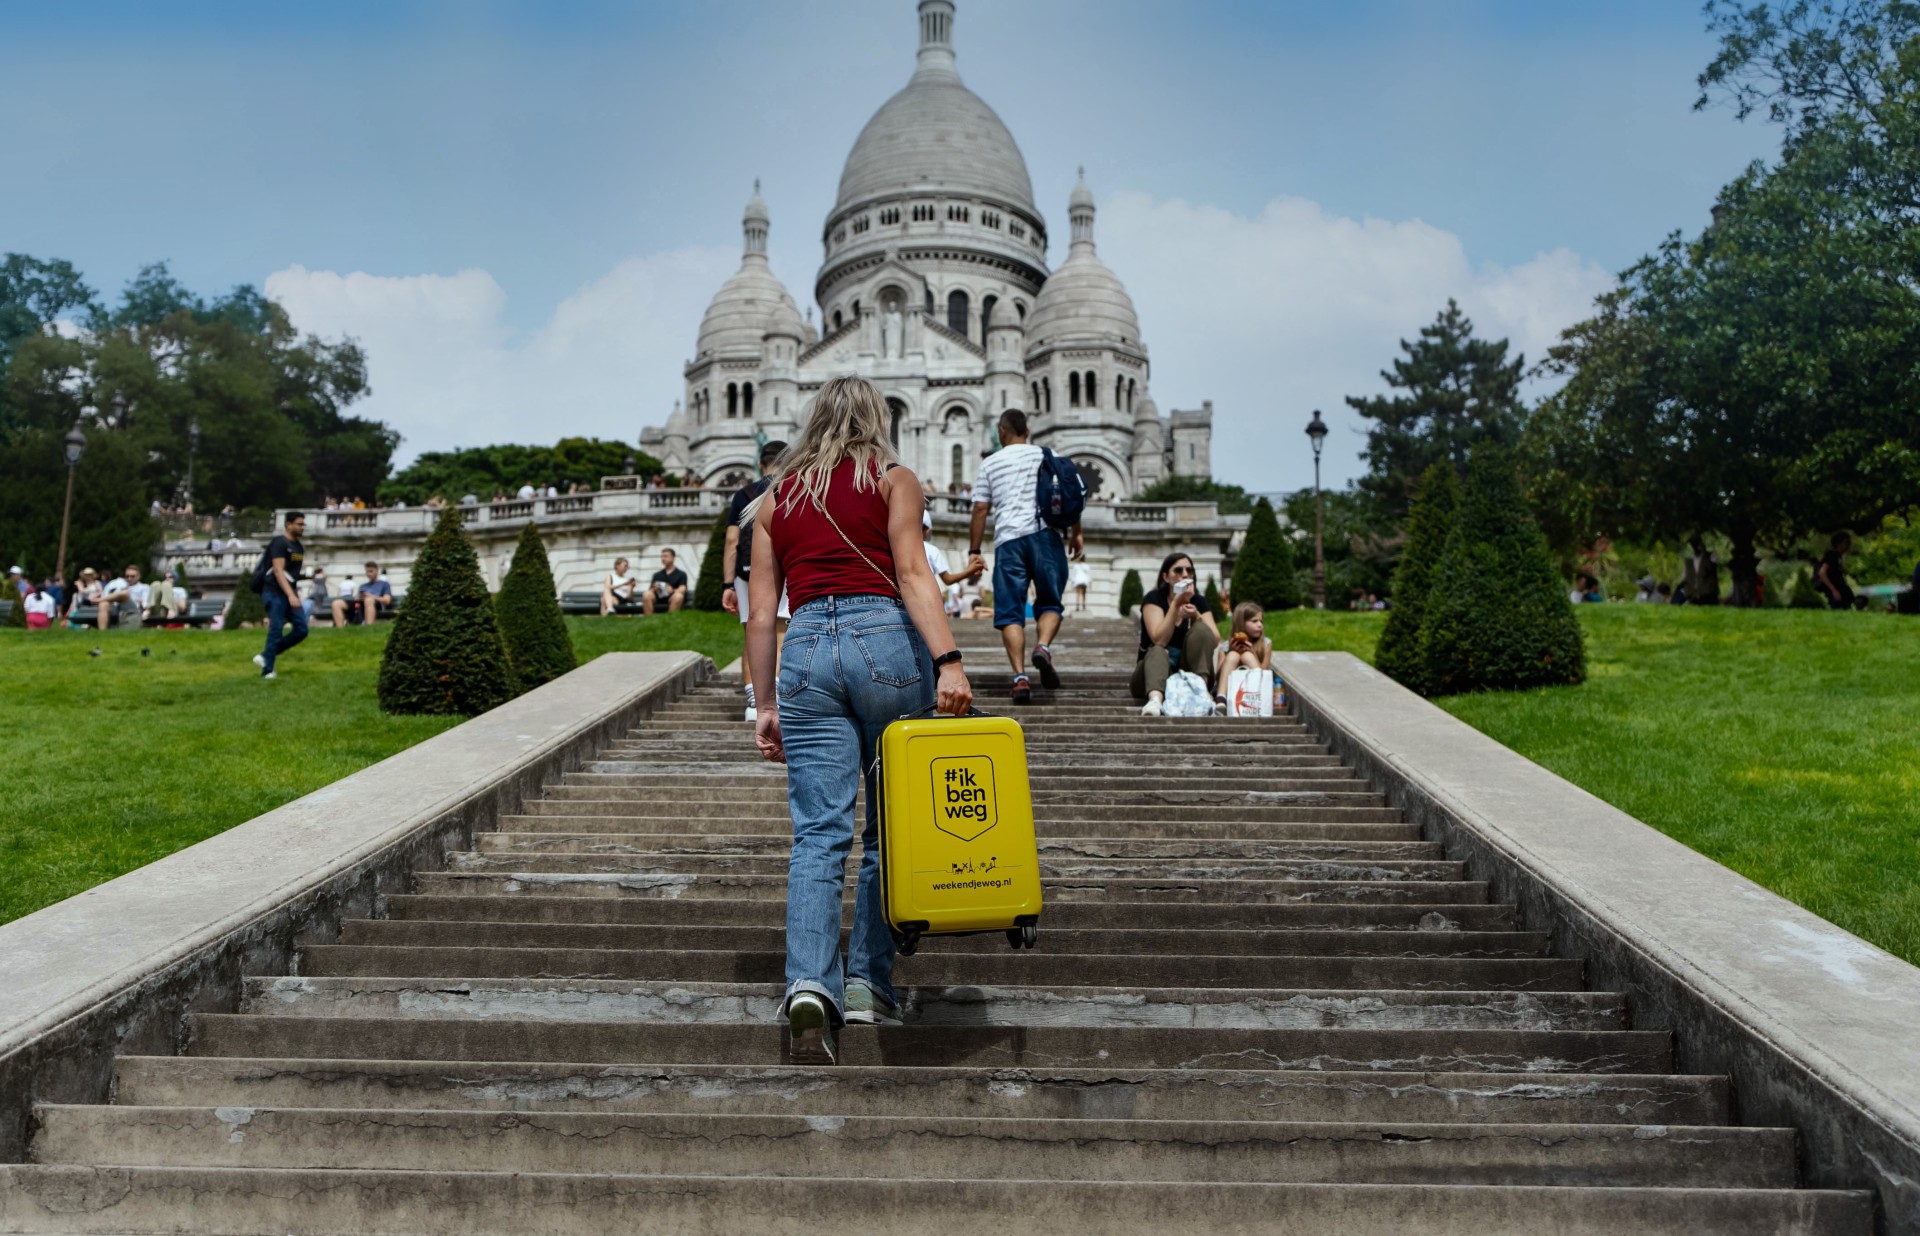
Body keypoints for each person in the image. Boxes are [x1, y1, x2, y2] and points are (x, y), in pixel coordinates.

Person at [743, 375, 971, 1064]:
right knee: (886, 829)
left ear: (813, 421)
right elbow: (911, 572)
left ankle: (811, 983)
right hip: (885, 644)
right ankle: (869, 982)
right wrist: (950, 660)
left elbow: (760, 615)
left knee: (818, 833)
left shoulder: (774, 498)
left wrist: (765, 704)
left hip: (806, 646)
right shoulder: (895, 479)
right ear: (879, 418)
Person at [967, 408, 1081, 703]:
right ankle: (1042, 646)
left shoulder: (991, 463)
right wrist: (1077, 533)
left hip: (1009, 542)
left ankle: (1019, 678)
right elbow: (1071, 491)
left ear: (1002, 432)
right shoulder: (1046, 454)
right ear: (1027, 431)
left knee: (1010, 613)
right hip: (1046, 536)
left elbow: (980, 509)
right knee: (1051, 603)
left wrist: (975, 550)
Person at [722, 441, 793, 721]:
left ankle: (754, 702)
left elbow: (731, 541)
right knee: (779, 632)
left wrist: (728, 585)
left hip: (746, 572)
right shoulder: (793, 488)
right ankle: (775, 698)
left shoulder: (744, 493)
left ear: (761, 463)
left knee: (751, 632)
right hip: (783, 568)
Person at [1131, 551, 1220, 715]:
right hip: (1151, 675)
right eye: (1178, 570)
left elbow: (1214, 639)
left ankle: (1200, 691)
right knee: (1157, 650)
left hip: (1187, 673)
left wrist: (1196, 615)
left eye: (1189, 570)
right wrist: (1176, 605)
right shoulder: (1154, 598)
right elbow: (1159, 639)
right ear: (1165, 577)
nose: (1185, 574)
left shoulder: (1199, 601)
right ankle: (1155, 702)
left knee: (1201, 629)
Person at [253, 511, 307, 679]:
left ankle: (265, 655)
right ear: (288, 524)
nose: (302, 527)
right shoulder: (279, 543)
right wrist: (291, 595)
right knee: (276, 628)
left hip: (289, 591)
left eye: (303, 524)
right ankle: (267, 670)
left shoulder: (298, 546)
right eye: (299, 524)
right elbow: (278, 570)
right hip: (274, 591)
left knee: (302, 629)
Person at [1215, 601, 1272, 679]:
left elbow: (1265, 674)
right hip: (1231, 687)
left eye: (1261, 621)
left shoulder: (1266, 644)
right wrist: (1229, 652)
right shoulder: (1224, 647)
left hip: (1256, 686)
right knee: (1233, 655)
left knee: (1247, 656)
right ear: (1241, 622)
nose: (1260, 625)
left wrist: (1253, 653)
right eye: (1254, 621)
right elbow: (1218, 678)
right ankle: (1221, 692)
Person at [330, 561, 394, 627]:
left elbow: (387, 600)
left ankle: (368, 627)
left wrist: (371, 596)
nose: (368, 574)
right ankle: (340, 630)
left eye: (371, 571)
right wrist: (358, 597)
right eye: (367, 572)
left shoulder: (384, 584)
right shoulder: (363, 586)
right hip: (360, 605)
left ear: (377, 571)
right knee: (336, 603)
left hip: (375, 605)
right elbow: (357, 598)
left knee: (368, 600)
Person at [97, 566, 150, 630]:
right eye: (127, 576)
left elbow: (145, 602)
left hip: (133, 609)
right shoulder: (120, 586)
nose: (129, 578)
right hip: (117, 609)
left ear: (139, 576)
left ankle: (95, 600)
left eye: (132, 576)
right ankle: (102, 632)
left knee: (124, 594)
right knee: (103, 604)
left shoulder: (144, 587)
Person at [1817, 532, 1855, 611]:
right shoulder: (1831, 556)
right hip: (1835, 591)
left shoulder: (1839, 557)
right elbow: (1822, 573)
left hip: (1841, 589)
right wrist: (1833, 590)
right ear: (1838, 544)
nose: (1848, 545)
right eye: (1846, 542)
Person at [643, 548, 688, 615]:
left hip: (672, 598)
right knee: (646, 594)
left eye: (665, 556)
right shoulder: (657, 575)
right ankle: (648, 621)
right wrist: (654, 589)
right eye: (662, 556)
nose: (663, 559)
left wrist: (672, 590)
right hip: (658, 598)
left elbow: (682, 589)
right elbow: (650, 589)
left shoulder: (681, 574)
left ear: (673, 557)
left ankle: (669, 621)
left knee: (678, 596)